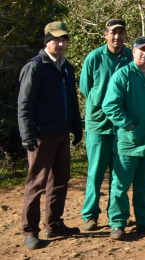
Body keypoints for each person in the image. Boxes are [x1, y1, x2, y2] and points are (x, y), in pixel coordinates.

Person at [17, 22, 82, 250]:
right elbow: (24, 103)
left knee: (60, 181)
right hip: (41, 136)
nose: (61, 43)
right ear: (46, 41)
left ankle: (54, 224)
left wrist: (76, 127)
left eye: (64, 39)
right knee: (37, 183)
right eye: (56, 39)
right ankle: (30, 231)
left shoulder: (67, 67)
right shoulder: (35, 66)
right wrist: (27, 134)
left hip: (62, 132)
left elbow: (71, 101)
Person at [102, 36, 145, 240]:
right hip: (128, 141)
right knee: (121, 184)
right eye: (141, 50)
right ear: (133, 52)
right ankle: (118, 223)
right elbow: (110, 105)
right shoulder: (123, 74)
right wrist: (129, 124)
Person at [79, 18, 133, 231]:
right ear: (105, 34)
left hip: (123, 125)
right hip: (98, 125)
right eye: (113, 32)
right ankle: (90, 215)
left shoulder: (131, 56)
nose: (117, 37)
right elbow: (86, 88)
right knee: (95, 172)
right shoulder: (94, 57)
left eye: (121, 33)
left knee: (120, 173)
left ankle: (116, 215)